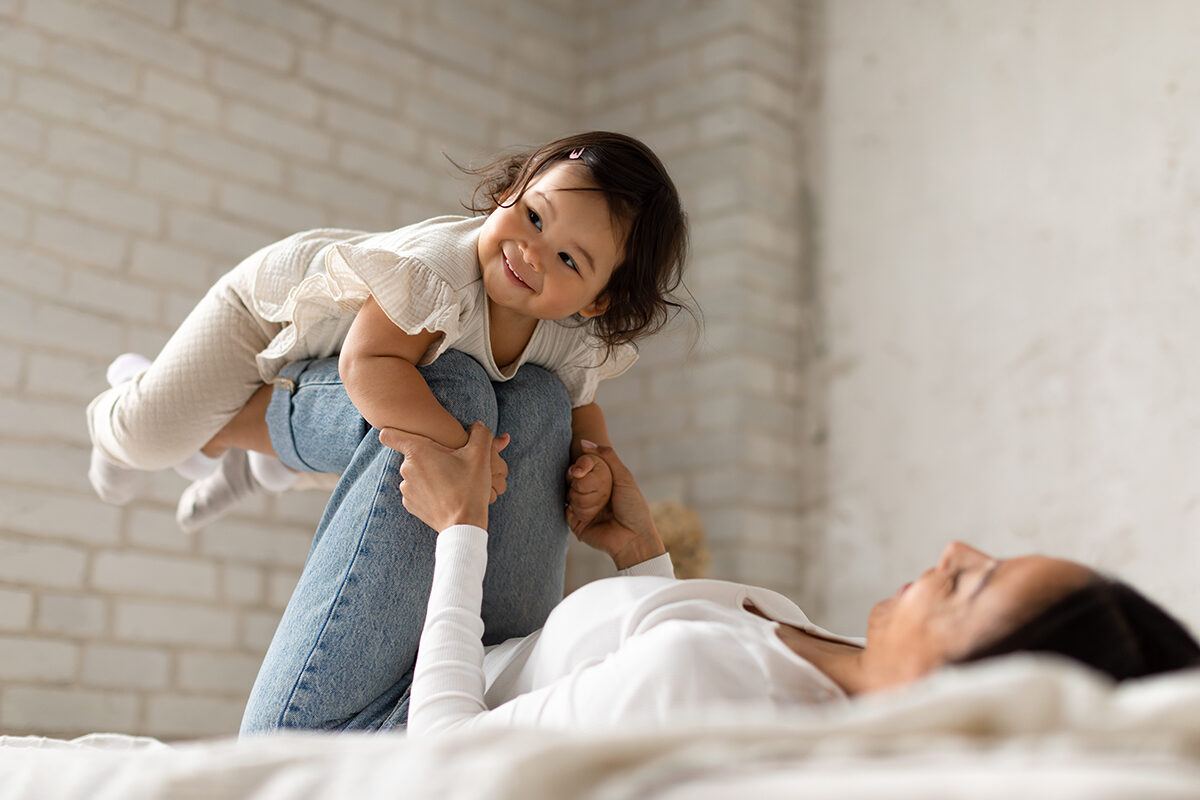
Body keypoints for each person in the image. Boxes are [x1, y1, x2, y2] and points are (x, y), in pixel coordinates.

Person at [234, 356, 1200, 736]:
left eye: (969, 588)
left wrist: (463, 533)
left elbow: (444, 764)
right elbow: (625, 668)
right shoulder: (825, 652)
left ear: (960, 693)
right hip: (474, 658)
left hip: (363, 737)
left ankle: (216, 426)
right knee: (532, 403)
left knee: (446, 396)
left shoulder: (734, 698)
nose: (952, 549)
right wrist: (640, 553)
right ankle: (286, 449)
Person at [85, 131, 688, 531]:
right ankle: (121, 408)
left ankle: (252, 462)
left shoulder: (569, 340)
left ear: (595, 301)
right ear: (509, 191)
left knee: (385, 441)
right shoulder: (439, 275)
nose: (532, 253)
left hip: (326, 355)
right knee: (151, 439)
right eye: (533, 216)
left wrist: (597, 466)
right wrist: (461, 448)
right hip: (270, 310)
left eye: (569, 260)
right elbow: (367, 366)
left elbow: (580, 410)